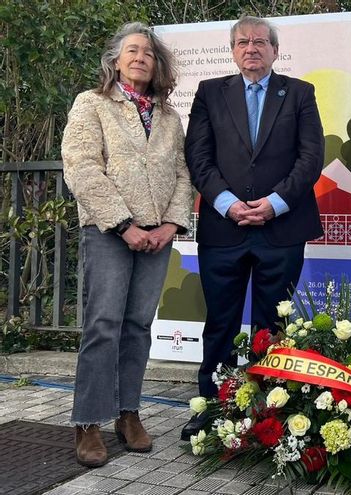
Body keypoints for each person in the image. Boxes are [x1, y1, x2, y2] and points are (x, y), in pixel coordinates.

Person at [181, 16, 324, 439]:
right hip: (223, 231)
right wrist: (228, 204)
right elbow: (198, 157)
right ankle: (212, 407)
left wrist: (274, 204)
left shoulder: (299, 93)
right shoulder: (210, 93)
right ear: (232, 50)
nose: (252, 48)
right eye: (242, 42)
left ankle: (267, 413)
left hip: (280, 230)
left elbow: (310, 157)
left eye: (260, 42)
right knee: (221, 324)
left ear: (275, 50)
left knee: (270, 328)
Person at [61, 22, 192, 467]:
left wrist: (170, 226)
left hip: (157, 235)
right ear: (115, 59)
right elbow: (82, 168)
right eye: (132, 51)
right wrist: (124, 225)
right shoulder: (92, 104)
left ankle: (128, 413)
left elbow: (181, 174)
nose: (140, 58)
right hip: (109, 233)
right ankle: (88, 422)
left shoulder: (170, 117)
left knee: (138, 326)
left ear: (158, 64)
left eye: (148, 53)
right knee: (103, 326)